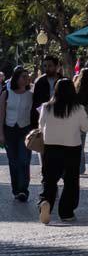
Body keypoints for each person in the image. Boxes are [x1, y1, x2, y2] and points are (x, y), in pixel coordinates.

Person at [36, 79, 87, 224]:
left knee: (49, 180)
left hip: (51, 148)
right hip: (72, 148)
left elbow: (41, 126)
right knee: (71, 181)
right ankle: (66, 212)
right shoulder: (78, 108)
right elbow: (86, 127)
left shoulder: (46, 107)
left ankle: (45, 203)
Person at [4, 68, 33, 201]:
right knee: (13, 162)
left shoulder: (30, 95)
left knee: (24, 160)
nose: (26, 79)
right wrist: (0, 134)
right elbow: (1, 114)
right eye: (23, 77)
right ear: (16, 78)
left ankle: (23, 190)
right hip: (9, 129)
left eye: (27, 77)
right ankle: (16, 189)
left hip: (25, 130)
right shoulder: (6, 93)